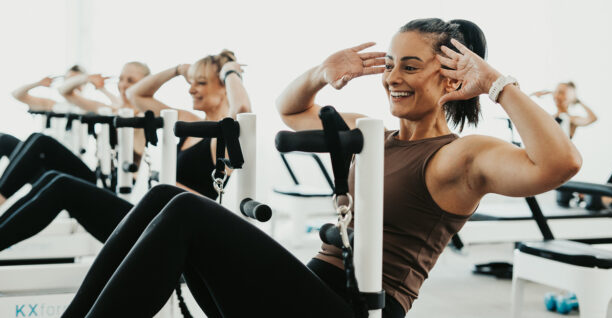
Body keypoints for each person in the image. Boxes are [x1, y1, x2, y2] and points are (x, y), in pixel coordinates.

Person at [60, 19, 581, 318]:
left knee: (186, 214)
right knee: (164, 200)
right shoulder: (371, 133)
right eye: (390, 64)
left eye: (411, 65)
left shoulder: (460, 156)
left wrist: (496, 83)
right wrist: (319, 73)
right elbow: (291, 109)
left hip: (356, 310)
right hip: (315, 289)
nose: (392, 77)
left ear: (450, 79)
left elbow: (559, 163)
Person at [0, 51, 250, 257]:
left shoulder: (224, 136)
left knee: (61, 185)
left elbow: (243, 110)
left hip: (166, 229)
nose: (191, 89)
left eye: (201, 83)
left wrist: (230, 71)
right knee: (52, 178)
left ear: (223, 88)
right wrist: (176, 70)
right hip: (148, 214)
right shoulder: (189, 123)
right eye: (192, 82)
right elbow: (136, 95)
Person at [0, 62, 150, 206]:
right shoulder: (110, 109)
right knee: (9, 139)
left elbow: (125, 109)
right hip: (96, 179)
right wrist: (88, 79)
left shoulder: (143, 115)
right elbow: (63, 90)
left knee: (41, 141)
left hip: (110, 189)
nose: (123, 84)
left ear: (145, 83)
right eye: (121, 79)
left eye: (130, 80)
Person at [531, 82, 597, 139]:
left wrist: (578, 101)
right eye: (555, 92)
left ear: (570, 98)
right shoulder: (549, 117)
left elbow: (592, 118)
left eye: (561, 93)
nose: (556, 95)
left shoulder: (571, 119)